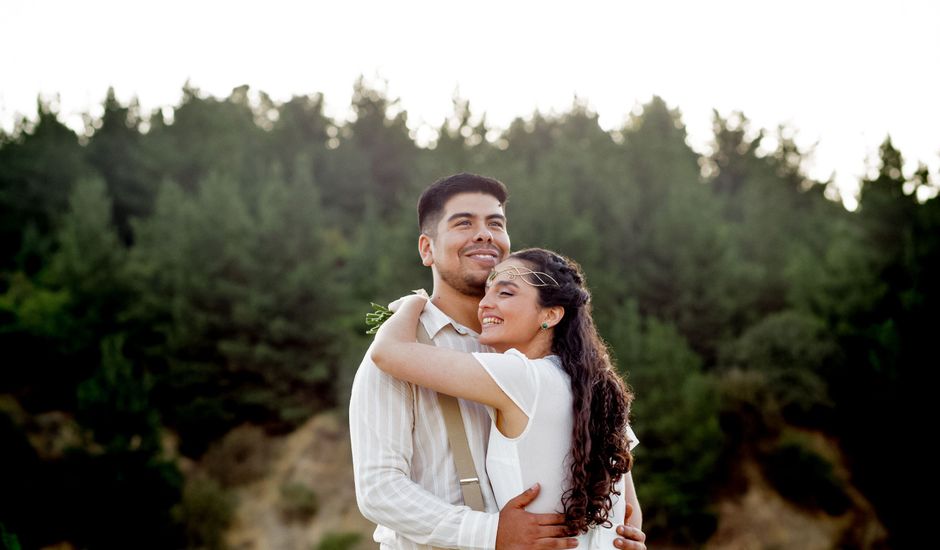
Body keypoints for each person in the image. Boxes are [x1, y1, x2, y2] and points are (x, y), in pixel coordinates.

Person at [349, 173, 647, 549]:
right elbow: (379, 489)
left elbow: (618, 474)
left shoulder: (544, 356)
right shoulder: (400, 353)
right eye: (464, 223)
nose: (484, 234)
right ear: (427, 249)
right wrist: (488, 533)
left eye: (496, 223)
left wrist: (621, 533)